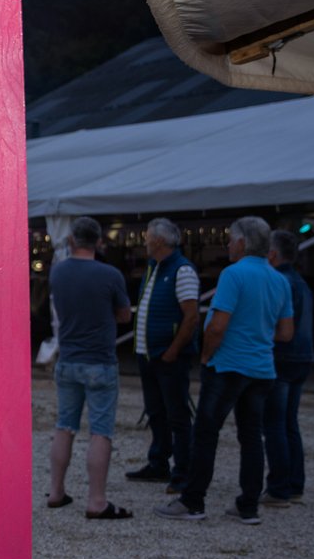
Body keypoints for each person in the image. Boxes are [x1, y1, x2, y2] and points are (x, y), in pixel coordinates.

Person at [156, 217, 293, 525]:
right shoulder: (279, 279)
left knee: (205, 434)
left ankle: (193, 501)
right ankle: (248, 506)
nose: (227, 245)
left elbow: (218, 325)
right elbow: (286, 332)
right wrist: (257, 334)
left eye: (230, 239)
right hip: (262, 368)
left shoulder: (234, 274)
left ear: (242, 243)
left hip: (228, 365)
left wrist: (206, 356)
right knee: (251, 437)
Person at [45, 217, 133, 519]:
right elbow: (124, 315)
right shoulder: (110, 275)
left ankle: (56, 491)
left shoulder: (58, 272)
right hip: (100, 361)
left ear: (71, 240)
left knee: (64, 426)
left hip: (68, 358)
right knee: (100, 431)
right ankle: (96, 500)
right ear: (99, 242)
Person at [125, 218, 200, 492]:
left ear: (158, 240)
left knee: (177, 415)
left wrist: (173, 350)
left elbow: (191, 317)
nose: (144, 241)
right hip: (149, 354)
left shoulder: (182, 270)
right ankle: (159, 463)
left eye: (147, 237)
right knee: (156, 412)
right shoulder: (154, 267)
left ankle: (183, 471)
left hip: (168, 356)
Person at [262, 229, 314, 506]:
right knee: (289, 423)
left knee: (274, 424)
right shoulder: (300, 281)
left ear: (272, 254)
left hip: (282, 357)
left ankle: (279, 488)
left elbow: (278, 325)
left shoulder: (279, 282)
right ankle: (294, 483)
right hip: (302, 357)